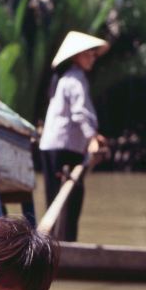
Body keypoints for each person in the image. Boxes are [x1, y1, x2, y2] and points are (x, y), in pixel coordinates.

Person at [39, 31, 110, 242]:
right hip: (64, 148)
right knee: (70, 200)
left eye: (95, 54)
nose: (93, 58)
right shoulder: (75, 79)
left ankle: (56, 244)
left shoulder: (66, 79)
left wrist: (94, 136)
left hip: (55, 146)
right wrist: (92, 139)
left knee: (57, 199)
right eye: (90, 53)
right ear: (77, 56)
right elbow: (80, 112)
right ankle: (65, 245)